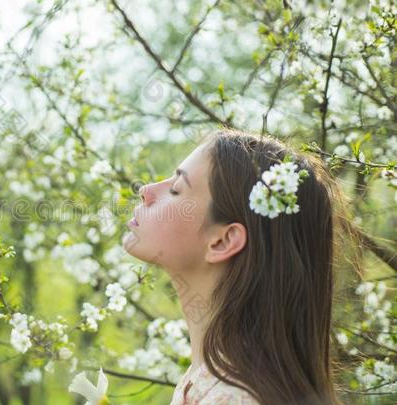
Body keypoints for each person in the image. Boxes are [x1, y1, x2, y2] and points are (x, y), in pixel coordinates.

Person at [123, 129, 351, 405]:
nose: (146, 191)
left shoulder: (232, 398)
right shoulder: (209, 381)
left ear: (222, 241)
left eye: (175, 190)